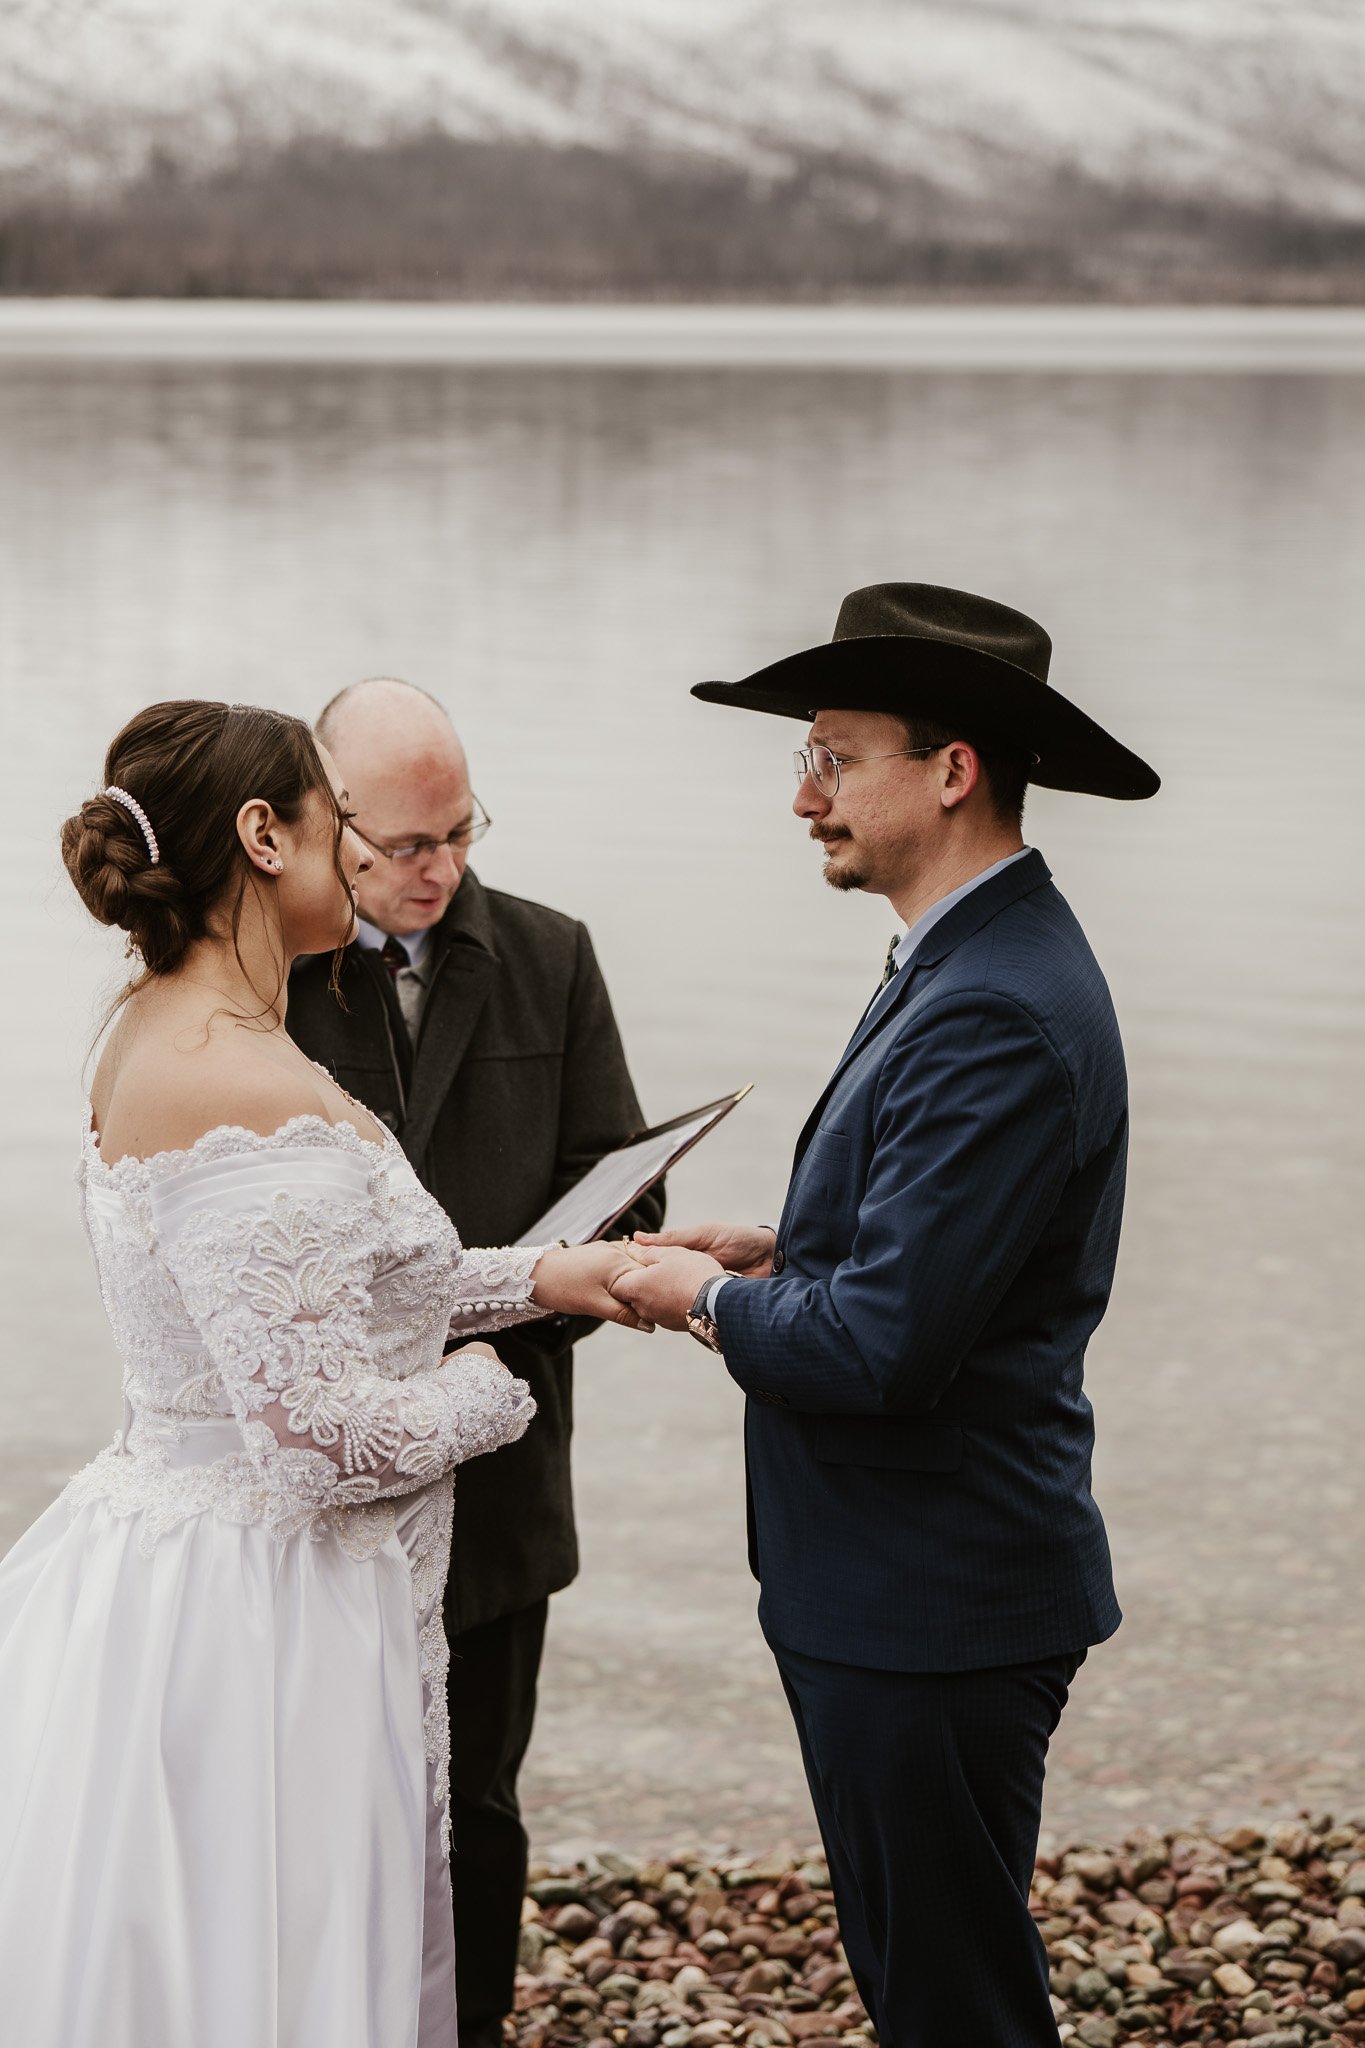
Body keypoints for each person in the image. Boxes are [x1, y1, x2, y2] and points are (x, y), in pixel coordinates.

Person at [0, 698, 645, 2048]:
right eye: (335, 822)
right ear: (261, 834)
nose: (360, 856)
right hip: (264, 1609)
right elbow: (311, 1438)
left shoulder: (153, 1026)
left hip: (172, 1549)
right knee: (275, 1957)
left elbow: (317, 1286)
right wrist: (491, 1390)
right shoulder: (245, 1082)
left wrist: (543, 1277)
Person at [615, 584, 1160, 2048]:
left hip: (931, 1596)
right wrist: (794, 1243)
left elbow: (883, 1349)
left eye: (833, 756)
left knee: (951, 2002)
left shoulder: (996, 999)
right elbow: (954, 1249)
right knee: (927, 1972)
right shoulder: (964, 959)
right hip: (903, 1582)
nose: (804, 797)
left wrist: (704, 1296)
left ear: (952, 768)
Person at [287, 677, 663, 2048]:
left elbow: (622, 1192)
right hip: (323, 1483)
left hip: (504, 1469)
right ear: (326, 822)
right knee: (314, 1796)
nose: (438, 869)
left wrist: (539, 1293)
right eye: (404, 844)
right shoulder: (256, 976)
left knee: (477, 1807)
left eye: (460, 833)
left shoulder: (551, 954)